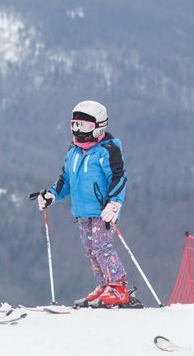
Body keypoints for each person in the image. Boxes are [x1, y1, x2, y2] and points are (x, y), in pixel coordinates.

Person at [34, 100, 133, 307]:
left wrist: (114, 203)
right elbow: (65, 182)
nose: (78, 131)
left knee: (102, 247)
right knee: (90, 249)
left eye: (84, 126)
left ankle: (118, 286)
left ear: (99, 127)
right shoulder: (74, 153)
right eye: (75, 125)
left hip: (102, 211)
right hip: (82, 212)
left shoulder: (107, 150)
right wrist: (51, 196)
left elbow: (119, 177)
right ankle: (103, 286)